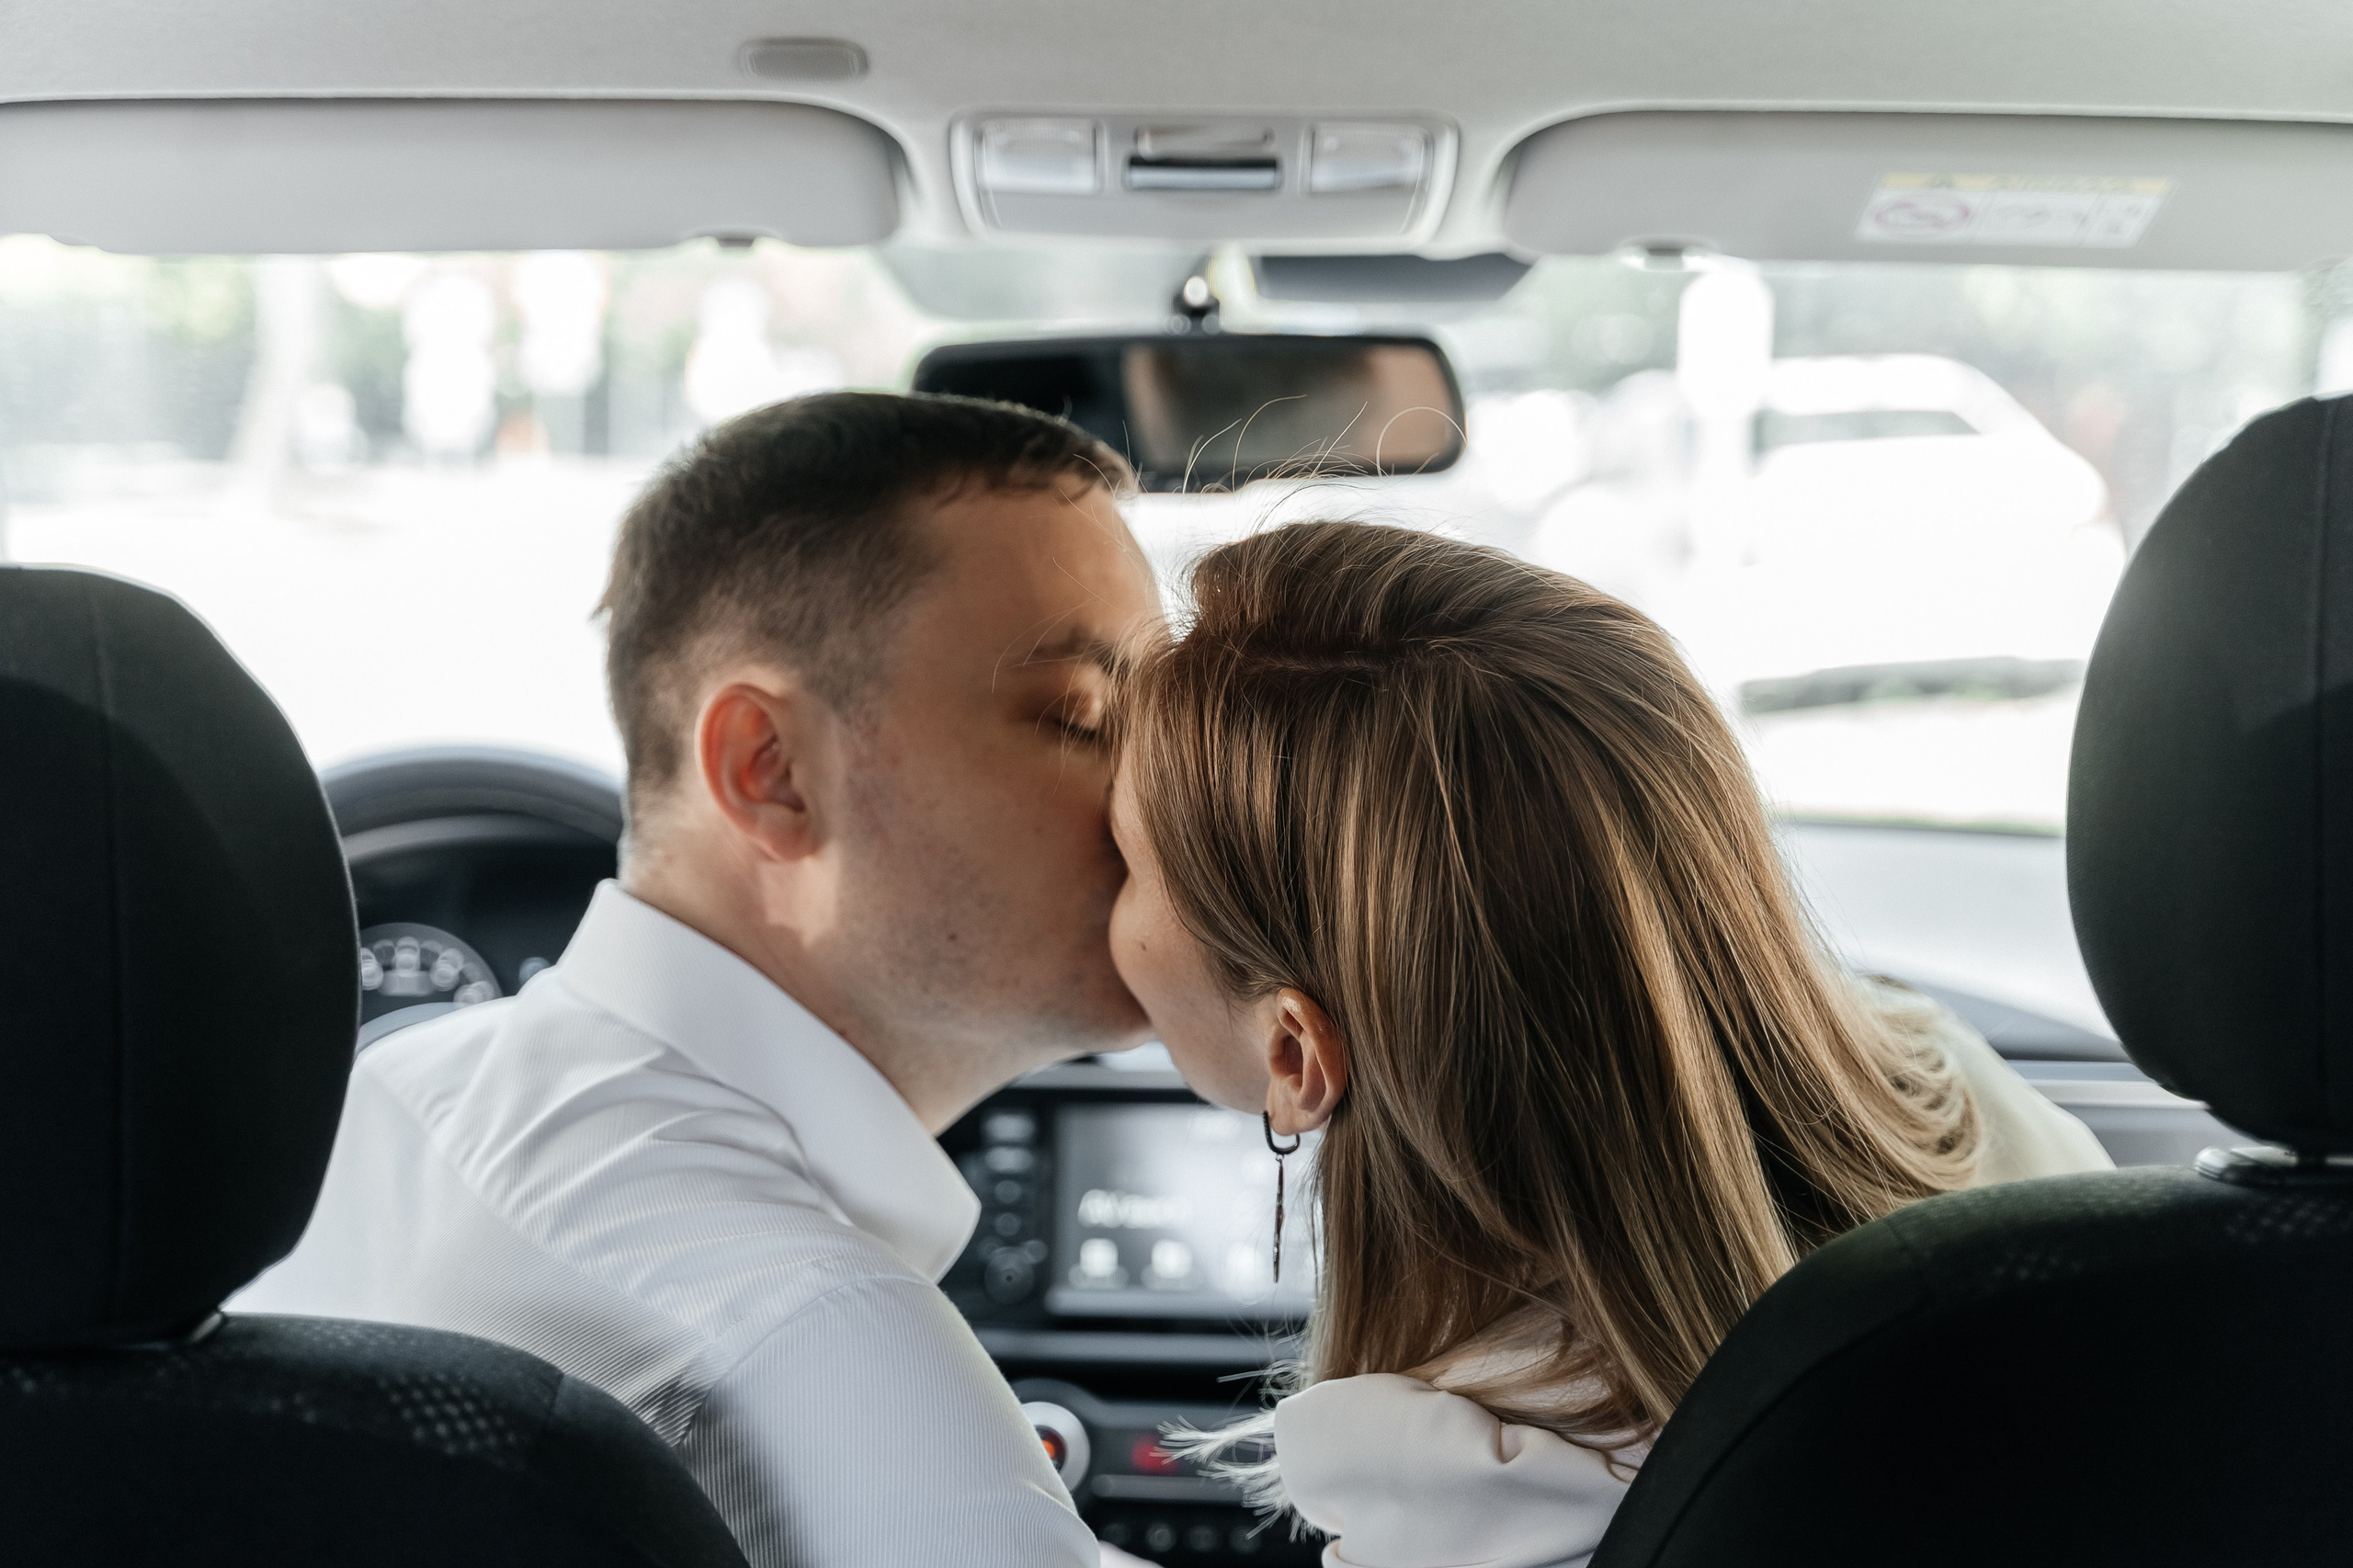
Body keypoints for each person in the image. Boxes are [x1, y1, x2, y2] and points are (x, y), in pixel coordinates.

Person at [238, 392, 1160, 1568]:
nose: (1159, 799)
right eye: (1081, 717)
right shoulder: (824, 1349)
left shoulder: (397, 1093)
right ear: (769, 770)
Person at [1105, 519, 2112, 1568]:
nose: (1100, 893)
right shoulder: (1983, 1116)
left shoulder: (1478, 1496)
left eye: (1124, 858)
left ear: (1294, 1058)